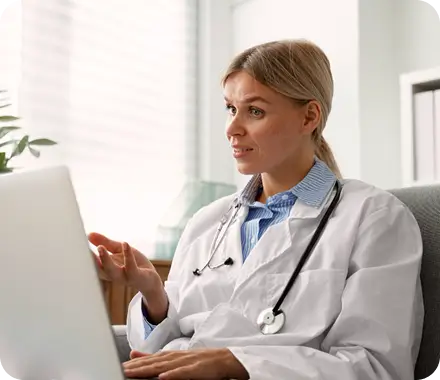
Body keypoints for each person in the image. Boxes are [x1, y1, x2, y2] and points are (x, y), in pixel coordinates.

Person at [90, 39, 424, 380]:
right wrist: (152, 292)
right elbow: (155, 346)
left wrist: (237, 362)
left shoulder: (374, 217)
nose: (232, 129)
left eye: (255, 111)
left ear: (309, 116)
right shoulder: (208, 221)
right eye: (231, 109)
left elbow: (375, 367)